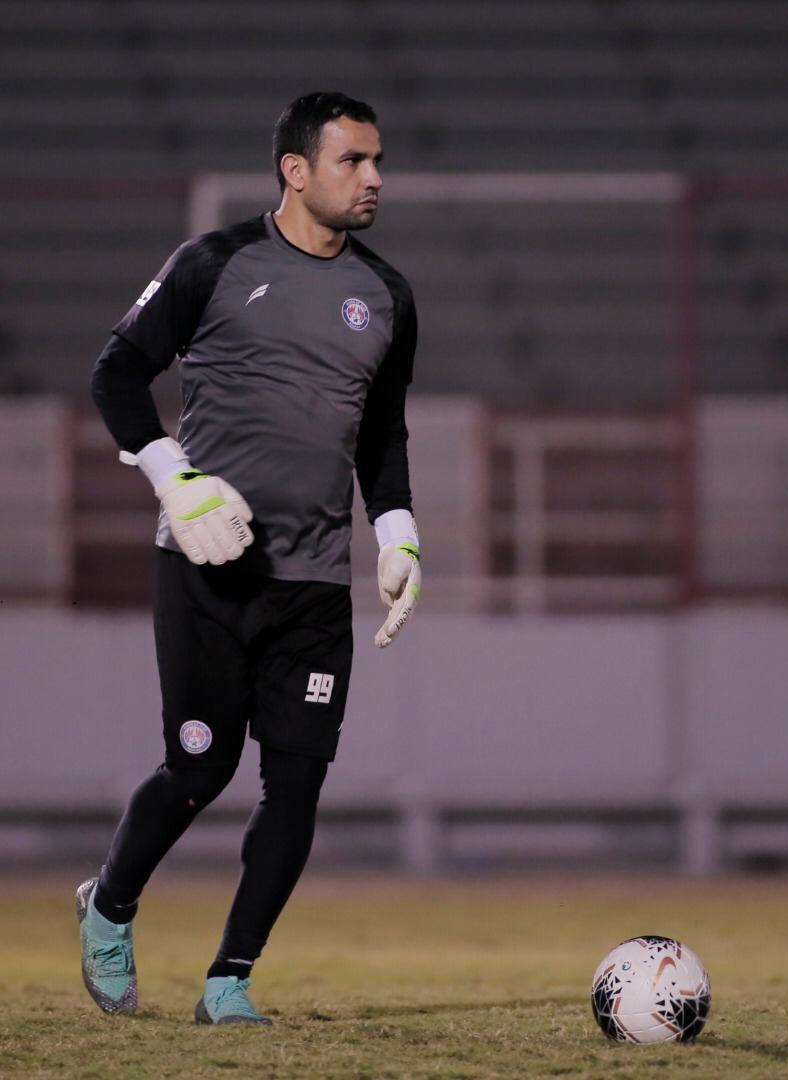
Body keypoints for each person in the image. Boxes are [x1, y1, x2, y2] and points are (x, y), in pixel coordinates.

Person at [79, 92, 421, 1024]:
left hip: (314, 582)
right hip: (208, 570)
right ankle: (108, 907)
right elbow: (114, 374)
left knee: (296, 784)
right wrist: (171, 476)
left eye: (377, 160)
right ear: (296, 170)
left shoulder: (388, 295)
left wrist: (397, 533)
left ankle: (230, 980)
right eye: (354, 160)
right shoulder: (214, 265)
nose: (375, 178)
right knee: (198, 769)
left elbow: (383, 433)